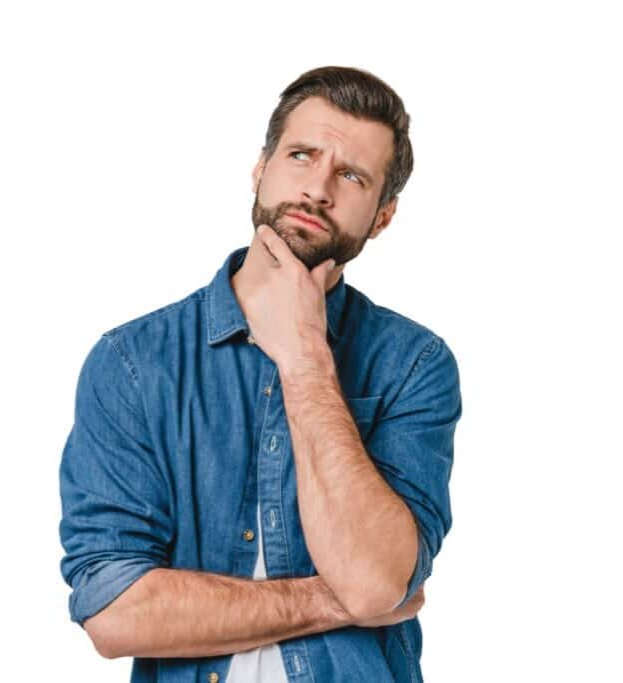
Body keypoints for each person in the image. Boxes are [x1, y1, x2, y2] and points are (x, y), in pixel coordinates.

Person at [58, 65, 462, 682]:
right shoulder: (134, 363)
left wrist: (305, 354)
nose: (317, 189)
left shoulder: (414, 365)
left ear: (382, 216)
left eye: (351, 176)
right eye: (301, 155)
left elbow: (378, 577)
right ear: (261, 168)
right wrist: (338, 600)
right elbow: (115, 613)